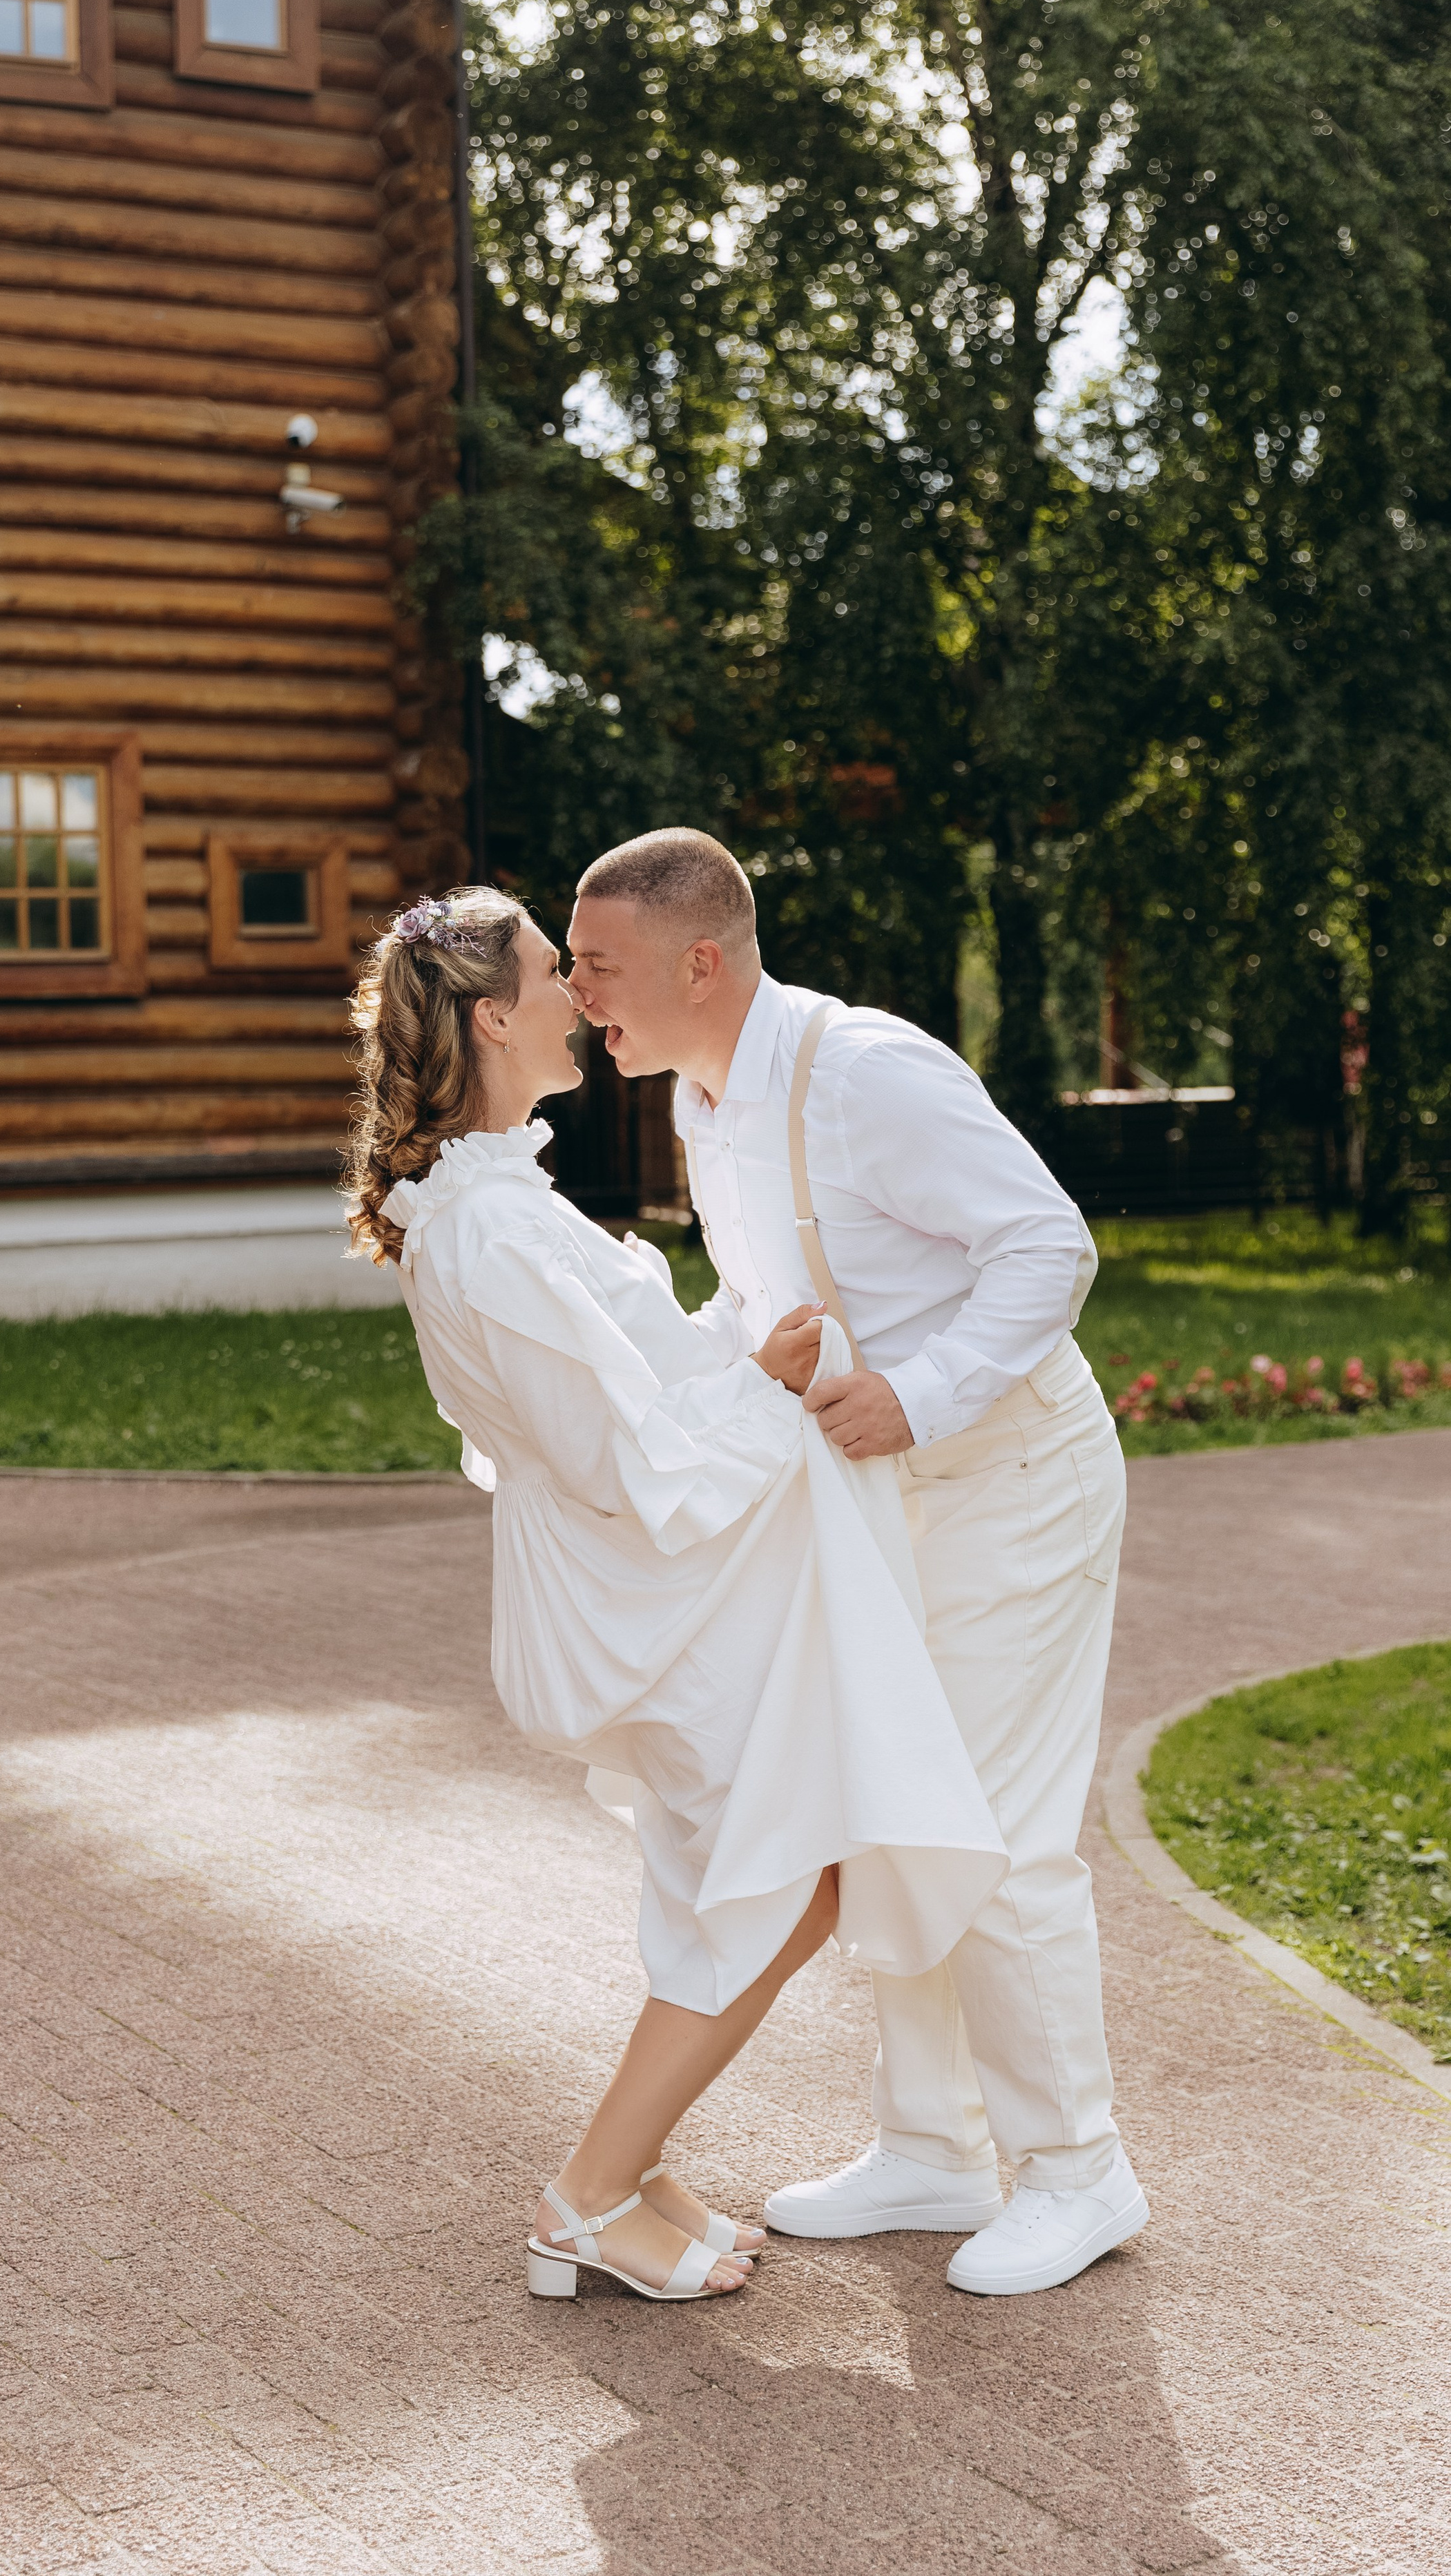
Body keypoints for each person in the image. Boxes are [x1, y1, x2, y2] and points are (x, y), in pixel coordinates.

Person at [343, 886, 1008, 2306]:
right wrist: (771, 1392)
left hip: (642, 1577)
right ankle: (586, 2194)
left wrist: (730, 1350)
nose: (580, 997)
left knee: (742, 1873)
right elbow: (618, 1456)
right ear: (488, 1018)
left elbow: (617, 1387)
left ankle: (637, 2170)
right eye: (551, 972)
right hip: (639, 1590)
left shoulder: (490, 1201)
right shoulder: (488, 1232)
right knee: (777, 1884)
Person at [566, 829, 1146, 2299]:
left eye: (599, 965)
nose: (578, 995)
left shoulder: (868, 1071)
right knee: (888, 1810)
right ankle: (931, 2147)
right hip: (882, 1506)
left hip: (1011, 1480)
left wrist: (919, 1392)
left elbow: (1046, 1246)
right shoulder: (704, 1096)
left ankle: (1078, 2170)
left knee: (1001, 1836)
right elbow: (765, 1299)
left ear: (702, 960)